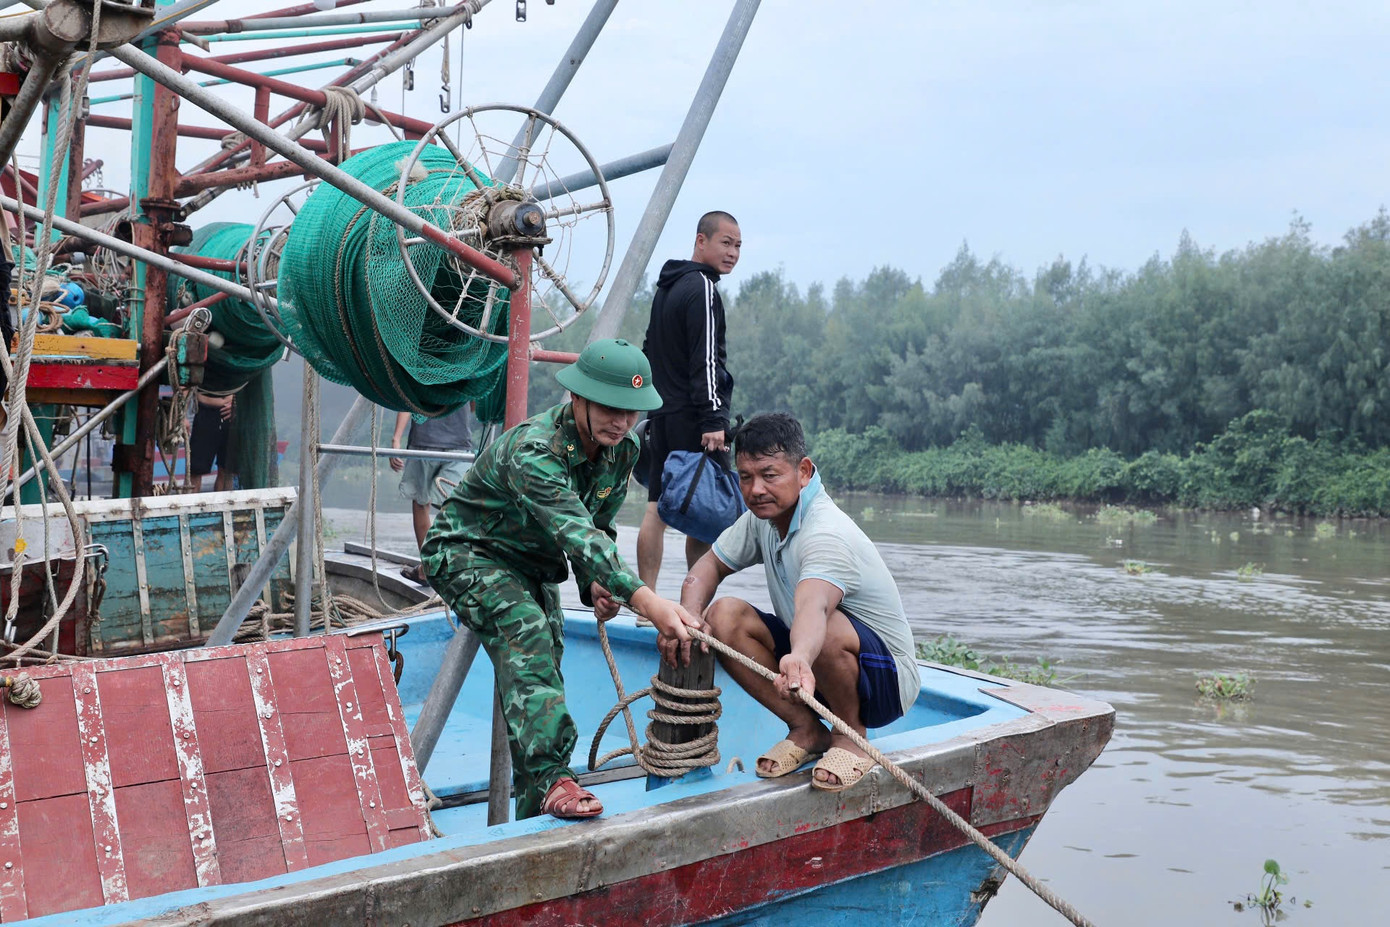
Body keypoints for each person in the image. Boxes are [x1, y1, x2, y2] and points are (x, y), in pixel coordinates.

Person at [421, 339, 703, 820]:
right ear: (578, 399)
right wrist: (649, 603)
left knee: (546, 658)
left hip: (532, 563)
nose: (622, 421)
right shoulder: (534, 450)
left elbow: (597, 530)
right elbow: (573, 527)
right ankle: (554, 778)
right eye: (612, 408)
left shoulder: (624, 449)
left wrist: (595, 583)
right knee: (526, 633)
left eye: (632, 412)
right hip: (468, 552)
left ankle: (536, 812)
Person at [665, 413, 921, 793]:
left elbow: (814, 608)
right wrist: (685, 620)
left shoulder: (826, 532)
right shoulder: (762, 518)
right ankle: (807, 729)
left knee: (828, 626)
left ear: (803, 471)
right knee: (723, 616)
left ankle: (850, 738)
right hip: (813, 672)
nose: (756, 490)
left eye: (770, 475)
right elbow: (707, 567)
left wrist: (799, 656)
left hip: (884, 682)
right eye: (746, 477)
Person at [637, 210, 742, 591]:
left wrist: (647, 401)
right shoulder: (701, 287)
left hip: (662, 416)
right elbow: (708, 360)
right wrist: (714, 418)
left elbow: (649, 349)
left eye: (738, 246)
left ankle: (645, 604)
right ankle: (693, 609)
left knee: (656, 509)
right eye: (725, 243)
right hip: (695, 420)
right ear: (702, 241)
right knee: (707, 513)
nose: (732, 253)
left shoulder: (668, 286)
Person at [390, 404, 474, 584]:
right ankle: (428, 567)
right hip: (429, 443)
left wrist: (397, 438)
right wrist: (396, 439)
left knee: (452, 507)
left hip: (454, 445)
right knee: (425, 504)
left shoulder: (423, 373)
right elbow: (407, 400)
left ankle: (438, 565)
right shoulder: (469, 375)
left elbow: (406, 398)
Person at [189, 390, 236, 492]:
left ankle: (223, 507)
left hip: (231, 413)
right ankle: (188, 506)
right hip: (204, 410)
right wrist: (182, 416)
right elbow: (183, 383)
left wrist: (238, 404)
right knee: (195, 470)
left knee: (227, 469)